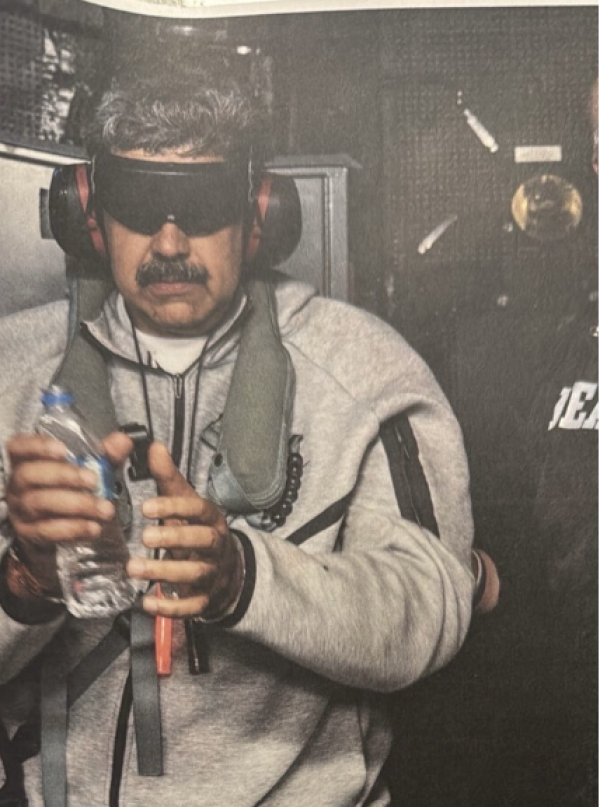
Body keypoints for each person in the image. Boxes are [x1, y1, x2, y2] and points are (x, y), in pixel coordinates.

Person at [0, 62, 474, 807]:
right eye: (138, 204)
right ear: (89, 213)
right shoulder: (11, 373)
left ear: (259, 216)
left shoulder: (367, 369)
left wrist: (245, 578)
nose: (168, 241)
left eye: (201, 205)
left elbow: (431, 609)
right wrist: (25, 582)